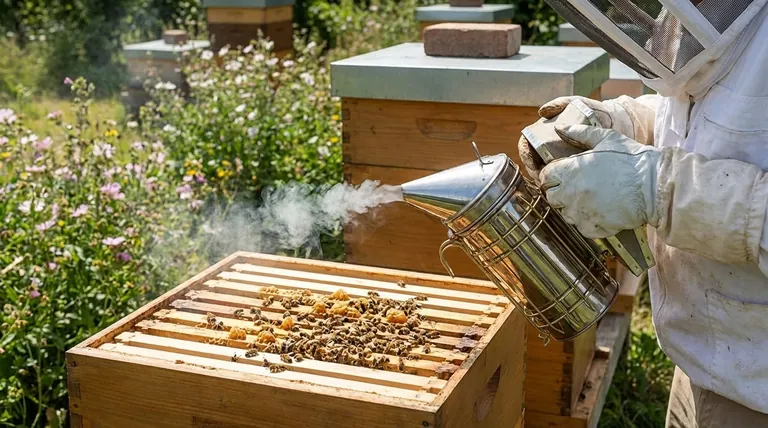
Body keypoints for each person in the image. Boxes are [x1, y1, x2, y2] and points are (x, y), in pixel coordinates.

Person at [517, 0, 768, 426]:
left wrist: (656, 188)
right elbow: (703, 119)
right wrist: (619, 122)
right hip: (701, 361)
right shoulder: (695, 18)